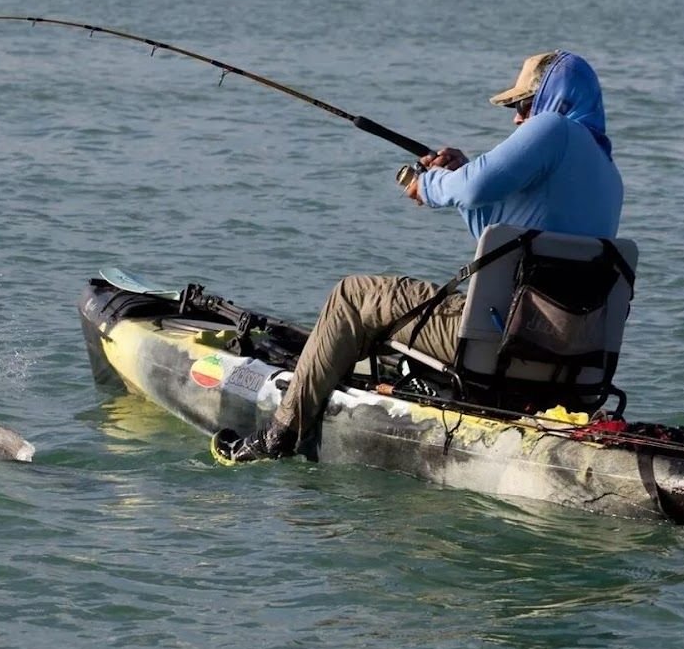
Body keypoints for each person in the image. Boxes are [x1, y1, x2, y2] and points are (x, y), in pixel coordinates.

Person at [212, 50, 624, 464]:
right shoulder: (607, 172)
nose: (518, 118)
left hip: (500, 342)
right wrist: (460, 173)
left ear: (557, 97)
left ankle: (280, 433)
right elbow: (501, 233)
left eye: (522, 104)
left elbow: (474, 187)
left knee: (353, 296)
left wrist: (430, 185)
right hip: (568, 357)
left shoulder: (552, 128)